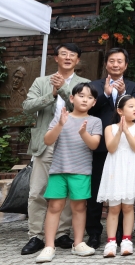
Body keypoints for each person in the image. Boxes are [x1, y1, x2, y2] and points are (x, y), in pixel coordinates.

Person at [22, 43, 88, 256]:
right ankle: (35, 235)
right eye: (63, 54)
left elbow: (83, 106)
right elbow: (27, 107)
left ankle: (62, 234)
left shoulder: (84, 83)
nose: (68, 57)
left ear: (78, 60)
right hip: (46, 142)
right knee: (37, 191)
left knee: (69, 191)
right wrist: (50, 93)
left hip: (72, 144)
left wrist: (63, 89)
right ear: (56, 58)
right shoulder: (41, 82)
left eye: (72, 55)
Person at [35, 83, 102, 263]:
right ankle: (49, 246)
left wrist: (83, 133)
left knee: (79, 208)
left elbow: (94, 144)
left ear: (94, 102)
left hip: (81, 171)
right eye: (81, 95)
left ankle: (78, 243)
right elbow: (48, 140)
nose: (85, 99)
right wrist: (60, 124)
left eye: (89, 97)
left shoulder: (95, 121)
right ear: (72, 98)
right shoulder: (61, 116)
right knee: (54, 207)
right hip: (59, 170)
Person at [87, 47, 135, 249]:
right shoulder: (94, 86)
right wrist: (105, 95)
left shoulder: (134, 86)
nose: (115, 64)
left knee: (123, 193)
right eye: (112, 61)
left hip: (126, 149)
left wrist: (123, 93)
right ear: (106, 63)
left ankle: (121, 235)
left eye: (120, 61)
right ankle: (93, 234)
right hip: (101, 146)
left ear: (126, 65)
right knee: (97, 191)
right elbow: (88, 108)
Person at [96, 95, 135, 258]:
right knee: (114, 207)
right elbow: (111, 148)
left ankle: (126, 240)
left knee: (128, 206)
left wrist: (126, 130)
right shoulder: (109, 128)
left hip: (131, 167)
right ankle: (111, 242)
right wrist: (120, 131)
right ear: (120, 110)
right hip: (116, 167)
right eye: (131, 106)